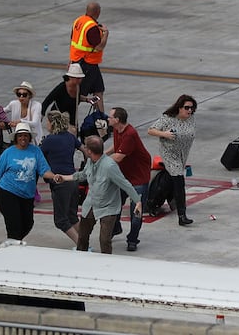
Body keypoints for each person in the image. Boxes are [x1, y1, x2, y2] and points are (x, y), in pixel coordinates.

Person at [57, 136, 142, 254]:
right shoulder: (90, 161)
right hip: (91, 203)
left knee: (104, 240)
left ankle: (105, 264)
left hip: (108, 207)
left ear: (89, 151)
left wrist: (137, 201)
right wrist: (64, 178)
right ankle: (81, 259)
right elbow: (83, 175)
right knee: (82, 236)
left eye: (86, 148)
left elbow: (125, 184)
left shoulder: (110, 166)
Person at [0, 123, 56, 242]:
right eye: (20, 136)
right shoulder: (8, 152)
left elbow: (44, 170)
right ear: (16, 138)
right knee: (14, 226)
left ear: (29, 137)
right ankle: (13, 251)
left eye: (25, 135)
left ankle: (13, 244)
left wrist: (54, 176)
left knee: (28, 224)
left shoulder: (36, 151)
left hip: (27, 195)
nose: (23, 138)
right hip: (8, 192)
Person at [106, 107, 151, 251]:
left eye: (110, 117)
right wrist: (102, 153)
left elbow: (118, 157)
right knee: (115, 203)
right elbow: (116, 147)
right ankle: (116, 227)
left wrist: (99, 161)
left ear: (117, 120)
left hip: (138, 177)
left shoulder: (130, 134)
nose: (108, 119)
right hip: (124, 176)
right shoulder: (117, 129)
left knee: (135, 211)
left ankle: (132, 239)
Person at [147, 94, 197, 226]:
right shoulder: (168, 119)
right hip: (169, 154)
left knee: (169, 180)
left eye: (192, 108)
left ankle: (153, 202)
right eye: (186, 107)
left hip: (182, 155)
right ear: (179, 107)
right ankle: (182, 215)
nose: (189, 110)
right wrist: (165, 134)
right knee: (179, 182)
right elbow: (151, 130)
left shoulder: (191, 119)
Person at [39, 111, 83, 244]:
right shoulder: (70, 137)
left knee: (61, 220)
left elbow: (38, 157)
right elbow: (85, 150)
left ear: (52, 123)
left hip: (60, 182)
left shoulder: (49, 140)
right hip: (73, 180)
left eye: (47, 122)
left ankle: (81, 245)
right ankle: (84, 242)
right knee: (72, 216)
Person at [69, 2, 109, 113]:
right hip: (86, 64)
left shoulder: (79, 21)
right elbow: (99, 47)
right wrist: (106, 34)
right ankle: (69, 116)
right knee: (78, 95)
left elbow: (73, 40)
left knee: (98, 90)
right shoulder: (92, 28)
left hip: (81, 61)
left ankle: (101, 119)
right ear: (98, 12)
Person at [41, 63, 86, 133]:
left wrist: (87, 99)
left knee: (74, 133)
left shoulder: (79, 86)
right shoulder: (61, 88)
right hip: (57, 117)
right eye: (77, 78)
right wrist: (41, 115)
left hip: (72, 117)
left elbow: (76, 98)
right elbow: (47, 100)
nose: (79, 80)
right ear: (70, 77)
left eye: (80, 78)